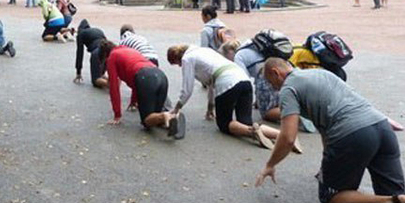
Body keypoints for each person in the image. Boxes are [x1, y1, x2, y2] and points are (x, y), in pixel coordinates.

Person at [256, 58, 405, 203]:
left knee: (332, 195)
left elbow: (288, 137)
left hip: (352, 135)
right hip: (382, 126)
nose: (273, 87)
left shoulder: (288, 88)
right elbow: (330, 124)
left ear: (276, 72)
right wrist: (327, 165)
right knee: (395, 191)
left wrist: (270, 165)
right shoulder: (321, 73)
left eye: (270, 82)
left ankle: (389, 200)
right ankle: (395, 197)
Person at [167, 45, 291, 150]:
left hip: (227, 84)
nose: (179, 66)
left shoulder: (187, 59)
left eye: (177, 64)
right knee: (245, 122)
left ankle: (253, 132)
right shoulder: (205, 51)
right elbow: (211, 83)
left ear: (177, 58)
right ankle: (283, 135)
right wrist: (210, 108)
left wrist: (177, 108)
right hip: (244, 80)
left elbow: (187, 89)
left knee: (224, 124)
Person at [101, 41, 181, 134]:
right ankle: (170, 118)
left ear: (105, 55)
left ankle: (165, 116)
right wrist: (133, 101)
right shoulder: (129, 49)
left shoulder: (112, 57)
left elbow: (114, 87)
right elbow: (136, 81)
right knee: (154, 116)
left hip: (146, 78)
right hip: (161, 75)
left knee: (146, 121)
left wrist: (117, 115)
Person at [222, 39, 280, 123]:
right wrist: (258, 100)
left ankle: (295, 114)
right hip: (274, 71)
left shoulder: (238, 57)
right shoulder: (249, 49)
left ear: (229, 53)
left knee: (267, 113)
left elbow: (243, 81)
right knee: (275, 104)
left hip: (266, 75)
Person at [74, 19, 108, 88]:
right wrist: (103, 70)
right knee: (100, 75)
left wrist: (78, 72)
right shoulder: (97, 30)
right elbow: (106, 43)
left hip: (96, 51)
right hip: (106, 49)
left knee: (95, 81)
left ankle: (110, 84)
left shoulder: (81, 34)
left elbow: (80, 53)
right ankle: (108, 80)